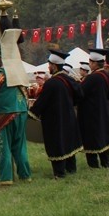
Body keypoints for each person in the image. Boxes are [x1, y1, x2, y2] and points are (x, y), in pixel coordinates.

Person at [0, 29, 32, 187]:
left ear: (0, 58)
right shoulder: (21, 73)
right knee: (20, 145)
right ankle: (25, 175)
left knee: (3, 147)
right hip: (21, 112)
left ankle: (5, 178)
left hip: (4, 114)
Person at [30, 49, 82, 178]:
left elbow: (41, 102)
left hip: (54, 120)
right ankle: (71, 169)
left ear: (54, 65)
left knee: (56, 143)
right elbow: (80, 95)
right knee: (69, 142)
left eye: (49, 65)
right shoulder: (69, 79)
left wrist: (31, 113)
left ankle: (59, 173)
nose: (48, 67)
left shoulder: (51, 83)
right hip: (69, 116)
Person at [78, 47, 109, 168]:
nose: (89, 64)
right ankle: (106, 162)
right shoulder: (107, 76)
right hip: (104, 110)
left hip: (90, 113)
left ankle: (93, 165)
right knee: (103, 135)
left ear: (94, 63)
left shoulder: (91, 78)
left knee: (91, 137)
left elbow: (80, 93)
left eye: (90, 62)